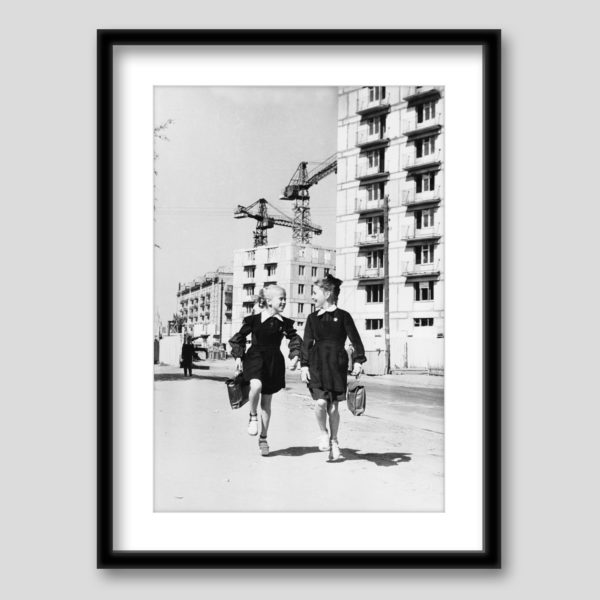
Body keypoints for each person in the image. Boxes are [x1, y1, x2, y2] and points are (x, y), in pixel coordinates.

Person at [228, 285, 302, 456]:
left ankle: (263, 438)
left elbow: (294, 340)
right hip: (254, 358)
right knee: (256, 385)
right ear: (269, 301)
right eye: (280, 299)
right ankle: (253, 415)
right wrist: (238, 357)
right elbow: (238, 338)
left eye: (285, 299)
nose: (284, 302)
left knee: (267, 403)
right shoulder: (253, 320)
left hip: (274, 362)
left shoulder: (284, 323)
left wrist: (295, 356)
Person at [300, 274, 366, 461]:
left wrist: (358, 361)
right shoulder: (312, 318)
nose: (312, 297)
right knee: (321, 403)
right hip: (317, 365)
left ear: (327, 294)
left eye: (315, 293)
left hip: (336, 365)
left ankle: (334, 441)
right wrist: (304, 366)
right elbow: (307, 343)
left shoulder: (344, 316)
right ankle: (323, 433)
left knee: (334, 407)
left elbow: (355, 339)